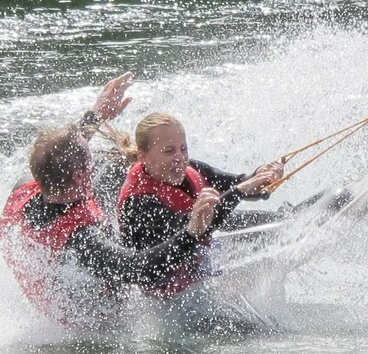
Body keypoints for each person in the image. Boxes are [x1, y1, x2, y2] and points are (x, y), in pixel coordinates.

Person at [0, 77, 223, 325]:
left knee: (116, 168)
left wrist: (97, 115)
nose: (95, 160)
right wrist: (191, 233)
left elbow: (57, 154)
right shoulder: (82, 239)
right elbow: (138, 269)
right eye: (89, 157)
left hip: (52, 273)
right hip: (90, 319)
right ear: (79, 176)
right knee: (117, 174)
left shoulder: (28, 186)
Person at [116, 113, 284, 296]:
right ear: (143, 156)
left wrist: (260, 177)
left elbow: (236, 183)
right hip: (171, 295)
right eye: (169, 151)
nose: (180, 157)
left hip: (201, 260)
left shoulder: (190, 168)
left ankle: (288, 220)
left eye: (183, 149)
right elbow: (190, 229)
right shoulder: (138, 202)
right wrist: (241, 190)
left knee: (274, 223)